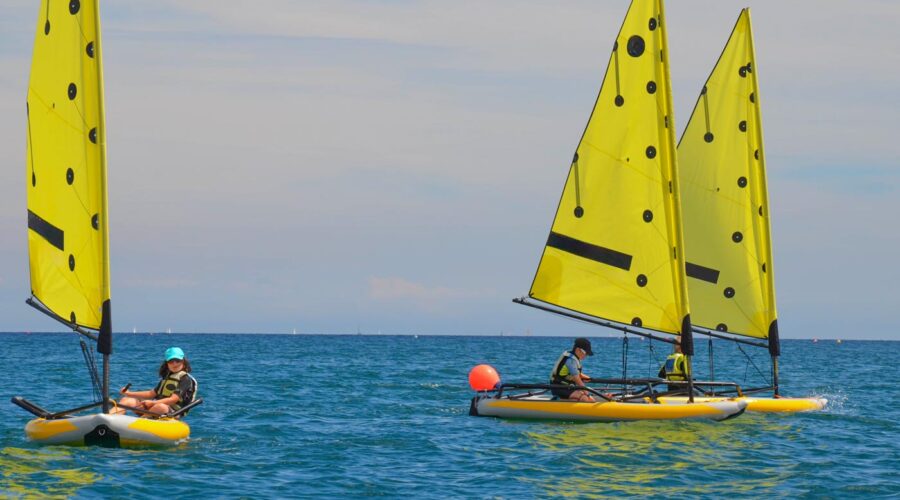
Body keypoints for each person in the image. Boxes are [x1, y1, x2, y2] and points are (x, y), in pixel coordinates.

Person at [117, 347, 198, 418]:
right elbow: (151, 393)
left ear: (183, 362)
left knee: (161, 407)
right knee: (127, 400)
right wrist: (128, 393)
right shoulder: (167, 378)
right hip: (154, 408)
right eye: (171, 361)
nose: (174, 363)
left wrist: (152, 403)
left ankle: (138, 423)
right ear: (167, 364)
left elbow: (173, 399)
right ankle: (109, 419)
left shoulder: (185, 379)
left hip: (172, 413)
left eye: (177, 361)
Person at [549, 337, 595, 402]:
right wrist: (587, 393)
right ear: (578, 350)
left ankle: (566, 400)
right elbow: (577, 379)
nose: (586, 355)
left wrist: (589, 378)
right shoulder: (570, 360)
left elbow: (577, 374)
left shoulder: (575, 358)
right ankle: (560, 400)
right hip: (559, 388)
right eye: (586, 353)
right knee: (585, 398)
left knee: (591, 393)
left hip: (568, 387)